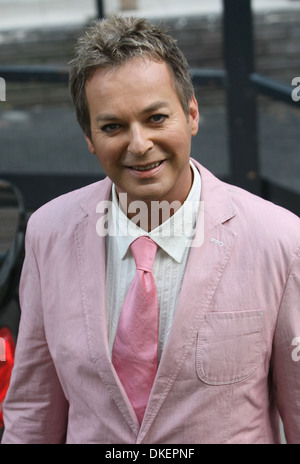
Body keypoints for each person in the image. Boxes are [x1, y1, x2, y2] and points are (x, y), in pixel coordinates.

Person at [2, 15, 300, 445]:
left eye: (156, 118)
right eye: (112, 127)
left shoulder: (279, 240)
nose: (138, 144)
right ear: (88, 136)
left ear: (192, 114)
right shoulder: (47, 233)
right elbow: (33, 411)